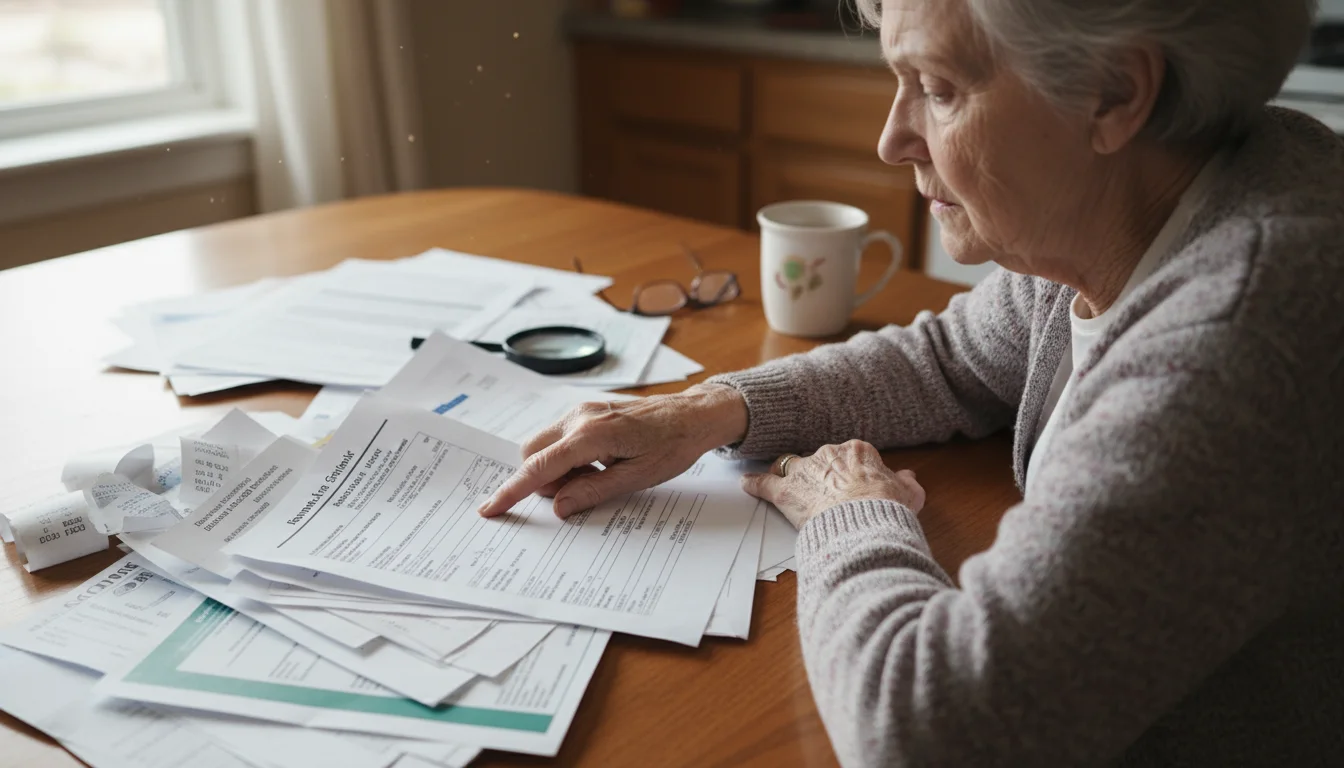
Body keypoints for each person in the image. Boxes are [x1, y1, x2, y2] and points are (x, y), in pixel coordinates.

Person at [478, 0, 1344, 763]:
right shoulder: (1127, 210)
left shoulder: (1238, 340)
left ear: (1116, 93)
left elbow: (930, 734)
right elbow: (952, 358)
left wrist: (851, 514)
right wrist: (713, 410)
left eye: (935, 87)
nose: (890, 140)